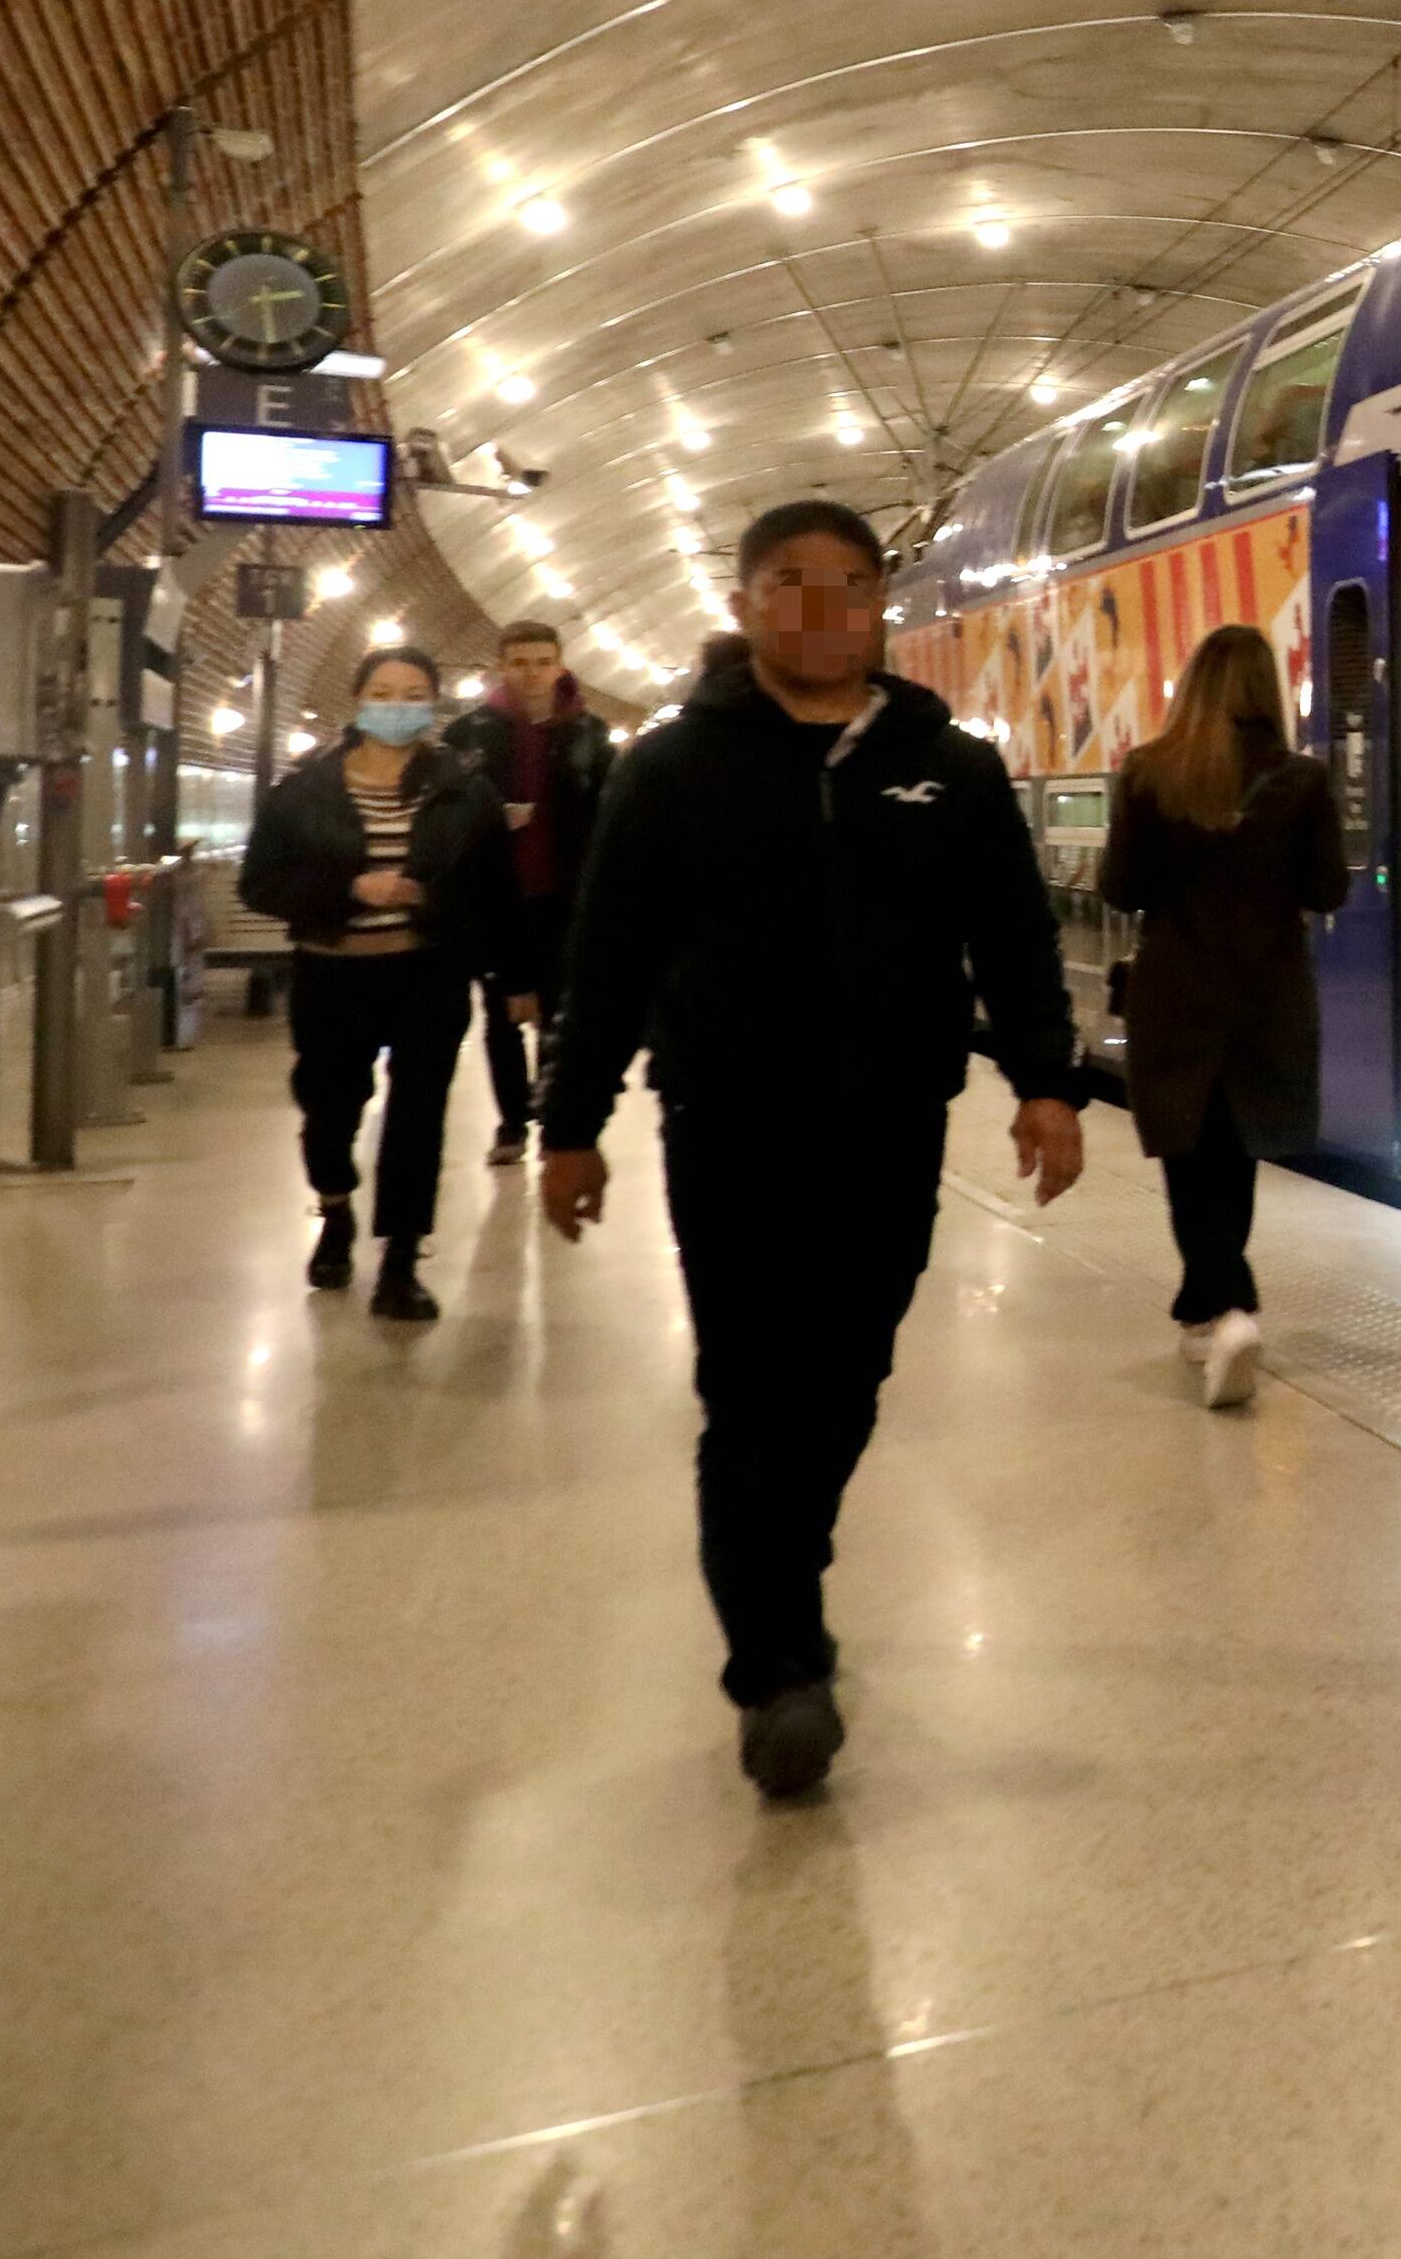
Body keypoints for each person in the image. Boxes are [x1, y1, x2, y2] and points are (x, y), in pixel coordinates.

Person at [537, 502, 1083, 1800]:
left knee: (847, 1378)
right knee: (750, 1388)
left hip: (891, 1124)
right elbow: (609, 953)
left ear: (880, 605)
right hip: (725, 1122)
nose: (822, 607)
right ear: (743, 607)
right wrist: (570, 1122)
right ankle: (777, 1668)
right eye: (790, 582)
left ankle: (788, 1570)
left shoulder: (949, 766)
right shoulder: (671, 768)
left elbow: (1012, 934)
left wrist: (1046, 1084)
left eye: (848, 584)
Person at [1098, 623, 1346, 1407]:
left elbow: (1120, 887)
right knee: (1235, 1161)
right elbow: (1328, 888)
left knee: (1189, 1159)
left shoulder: (1150, 772)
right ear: (1267, 688)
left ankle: (1226, 1307)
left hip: (1176, 997)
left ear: (1195, 685)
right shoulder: (1302, 780)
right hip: (1267, 1001)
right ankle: (1208, 1308)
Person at [237, 645, 508, 1316]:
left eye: (413, 694)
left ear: (433, 704)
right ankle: (335, 1206)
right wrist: (350, 888)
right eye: (383, 693)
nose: (397, 706)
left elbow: (493, 889)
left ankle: (401, 1259)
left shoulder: (465, 791)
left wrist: (439, 905)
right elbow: (260, 883)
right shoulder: (303, 791)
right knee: (329, 1105)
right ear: (358, 701)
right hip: (332, 971)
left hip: (427, 971)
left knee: (419, 1113)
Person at [442, 618, 612, 1169]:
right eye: (520, 662)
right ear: (501, 667)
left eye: (542, 662)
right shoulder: (469, 734)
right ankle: (512, 1118)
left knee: (560, 1012)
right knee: (501, 1014)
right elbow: (443, 812)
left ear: (560, 665)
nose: (532, 673)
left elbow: (607, 812)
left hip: (566, 895)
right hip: (495, 894)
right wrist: (489, 818)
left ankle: (555, 1114)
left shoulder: (589, 733)